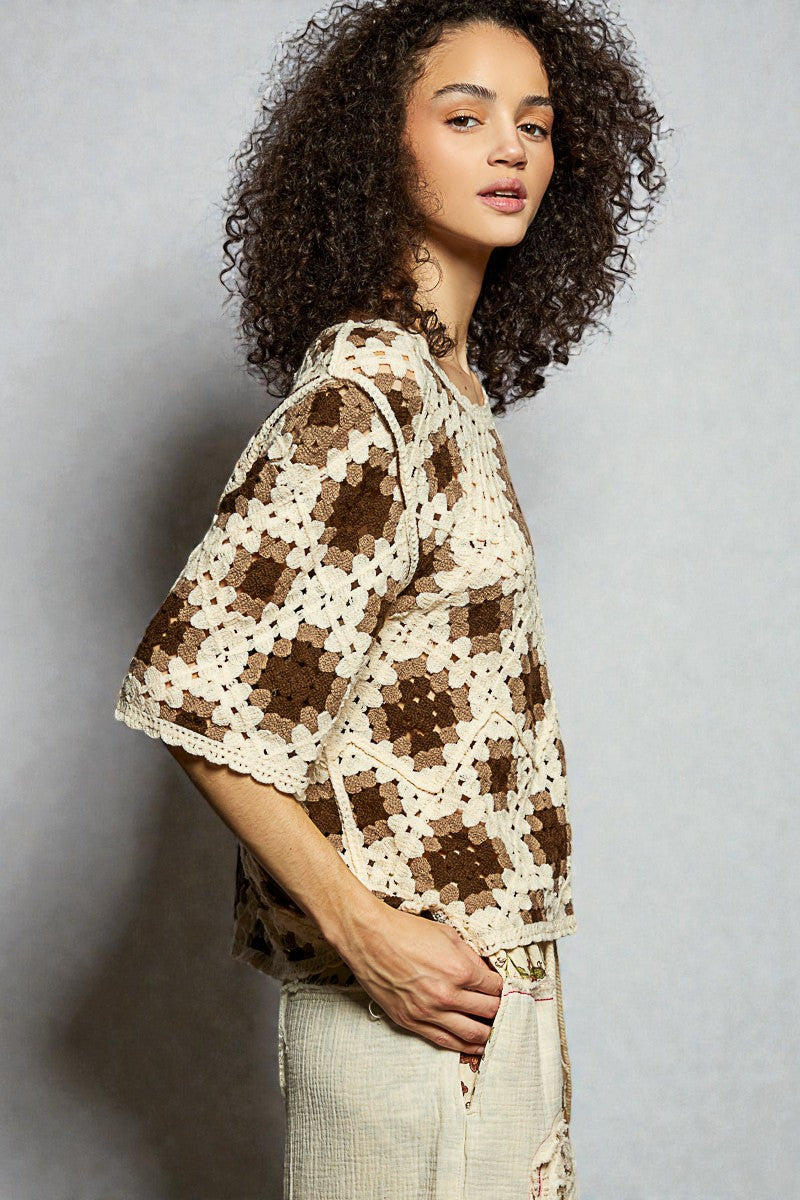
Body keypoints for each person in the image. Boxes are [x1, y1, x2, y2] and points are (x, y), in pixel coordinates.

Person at [114, 1, 667, 1195]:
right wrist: (368, 935)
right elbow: (194, 688)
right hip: (407, 1004)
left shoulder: (441, 389)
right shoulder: (364, 399)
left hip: (488, 973)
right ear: (378, 145)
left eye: (534, 123)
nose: (510, 147)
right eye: (464, 117)